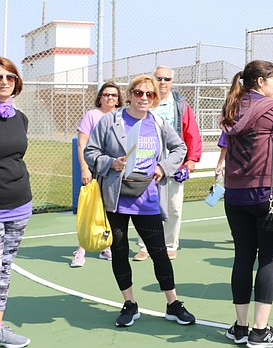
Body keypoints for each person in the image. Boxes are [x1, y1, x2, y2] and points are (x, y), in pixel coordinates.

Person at [84, 74, 195, 328]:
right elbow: (90, 152)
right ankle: (130, 303)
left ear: (155, 98)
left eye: (150, 94)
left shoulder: (157, 122)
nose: (144, 98)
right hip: (116, 198)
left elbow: (180, 148)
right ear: (130, 94)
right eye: (139, 93)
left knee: (159, 253)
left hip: (147, 198)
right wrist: (110, 163)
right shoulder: (111, 121)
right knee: (120, 252)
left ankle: (173, 303)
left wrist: (163, 167)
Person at [217, 60, 273, 348]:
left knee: (243, 257)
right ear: (261, 82)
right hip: (267, 194)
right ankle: (260, 331)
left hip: (234, 195)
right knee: (269, 260)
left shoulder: (232, 107)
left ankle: (240, 326)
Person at [134, 66, 202, 262]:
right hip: (147, 165)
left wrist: (191, 160)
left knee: (173, 207)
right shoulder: (145, 103)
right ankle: (144, 246)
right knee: (144, 206)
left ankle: (170, 245)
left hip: (174, 165)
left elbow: (192, 133)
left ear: (172, 81)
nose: (162, 82)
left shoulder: (180, 105)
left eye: (166, 79)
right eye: (159, 78)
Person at [71, 81, 122, 267]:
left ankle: (105, 246)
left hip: (113, 171)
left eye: (114, 95)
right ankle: (81, 249)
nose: (110, 97)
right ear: (100, 97)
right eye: (106, 94)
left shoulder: (121, 116)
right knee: (89, 209)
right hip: (94, 168)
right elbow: (81, 144)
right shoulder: (92, 115)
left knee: (108, 209)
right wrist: (85, 168)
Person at [0, 57, 32, 348]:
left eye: (10, 77)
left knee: (4, 269)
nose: (4, 81)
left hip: (20, 204)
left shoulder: (20, 117)